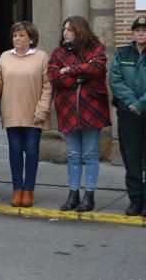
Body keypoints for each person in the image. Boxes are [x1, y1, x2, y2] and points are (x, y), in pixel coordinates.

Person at [0, 21, 52, 208]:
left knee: (31, 151)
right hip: (12, 112)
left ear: (31, 38)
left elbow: (48, 86)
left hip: (34, 113)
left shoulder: (41, 57)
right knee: (15, 152)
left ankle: (28, 190)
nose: (17, 38)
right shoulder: (5, 57)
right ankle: (17, 189)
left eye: (22, 35)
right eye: (15, 35)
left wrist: (42, 109)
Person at [48, 16, 110, 213]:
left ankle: (89, 196)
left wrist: (70, 70)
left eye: (69, 29)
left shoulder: (96, 49)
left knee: (90, 154)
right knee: (73, 155)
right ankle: (73, 194)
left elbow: (97, 69)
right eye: (64, 29)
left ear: (80, 31)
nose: (65, 33)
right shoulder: (58, 53)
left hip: (91, 110)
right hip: (67, 111)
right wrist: (79, 78)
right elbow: (55, 78)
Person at [110, 15, 146, 217]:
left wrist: (141, 102)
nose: (141, 32)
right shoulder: (122, 53)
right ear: (133, 33)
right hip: (128, 114)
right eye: (138, 30)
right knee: (131, 158)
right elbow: (115, 80)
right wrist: (133, 102)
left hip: (142, 108)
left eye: (144, 30)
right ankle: (135, 200)